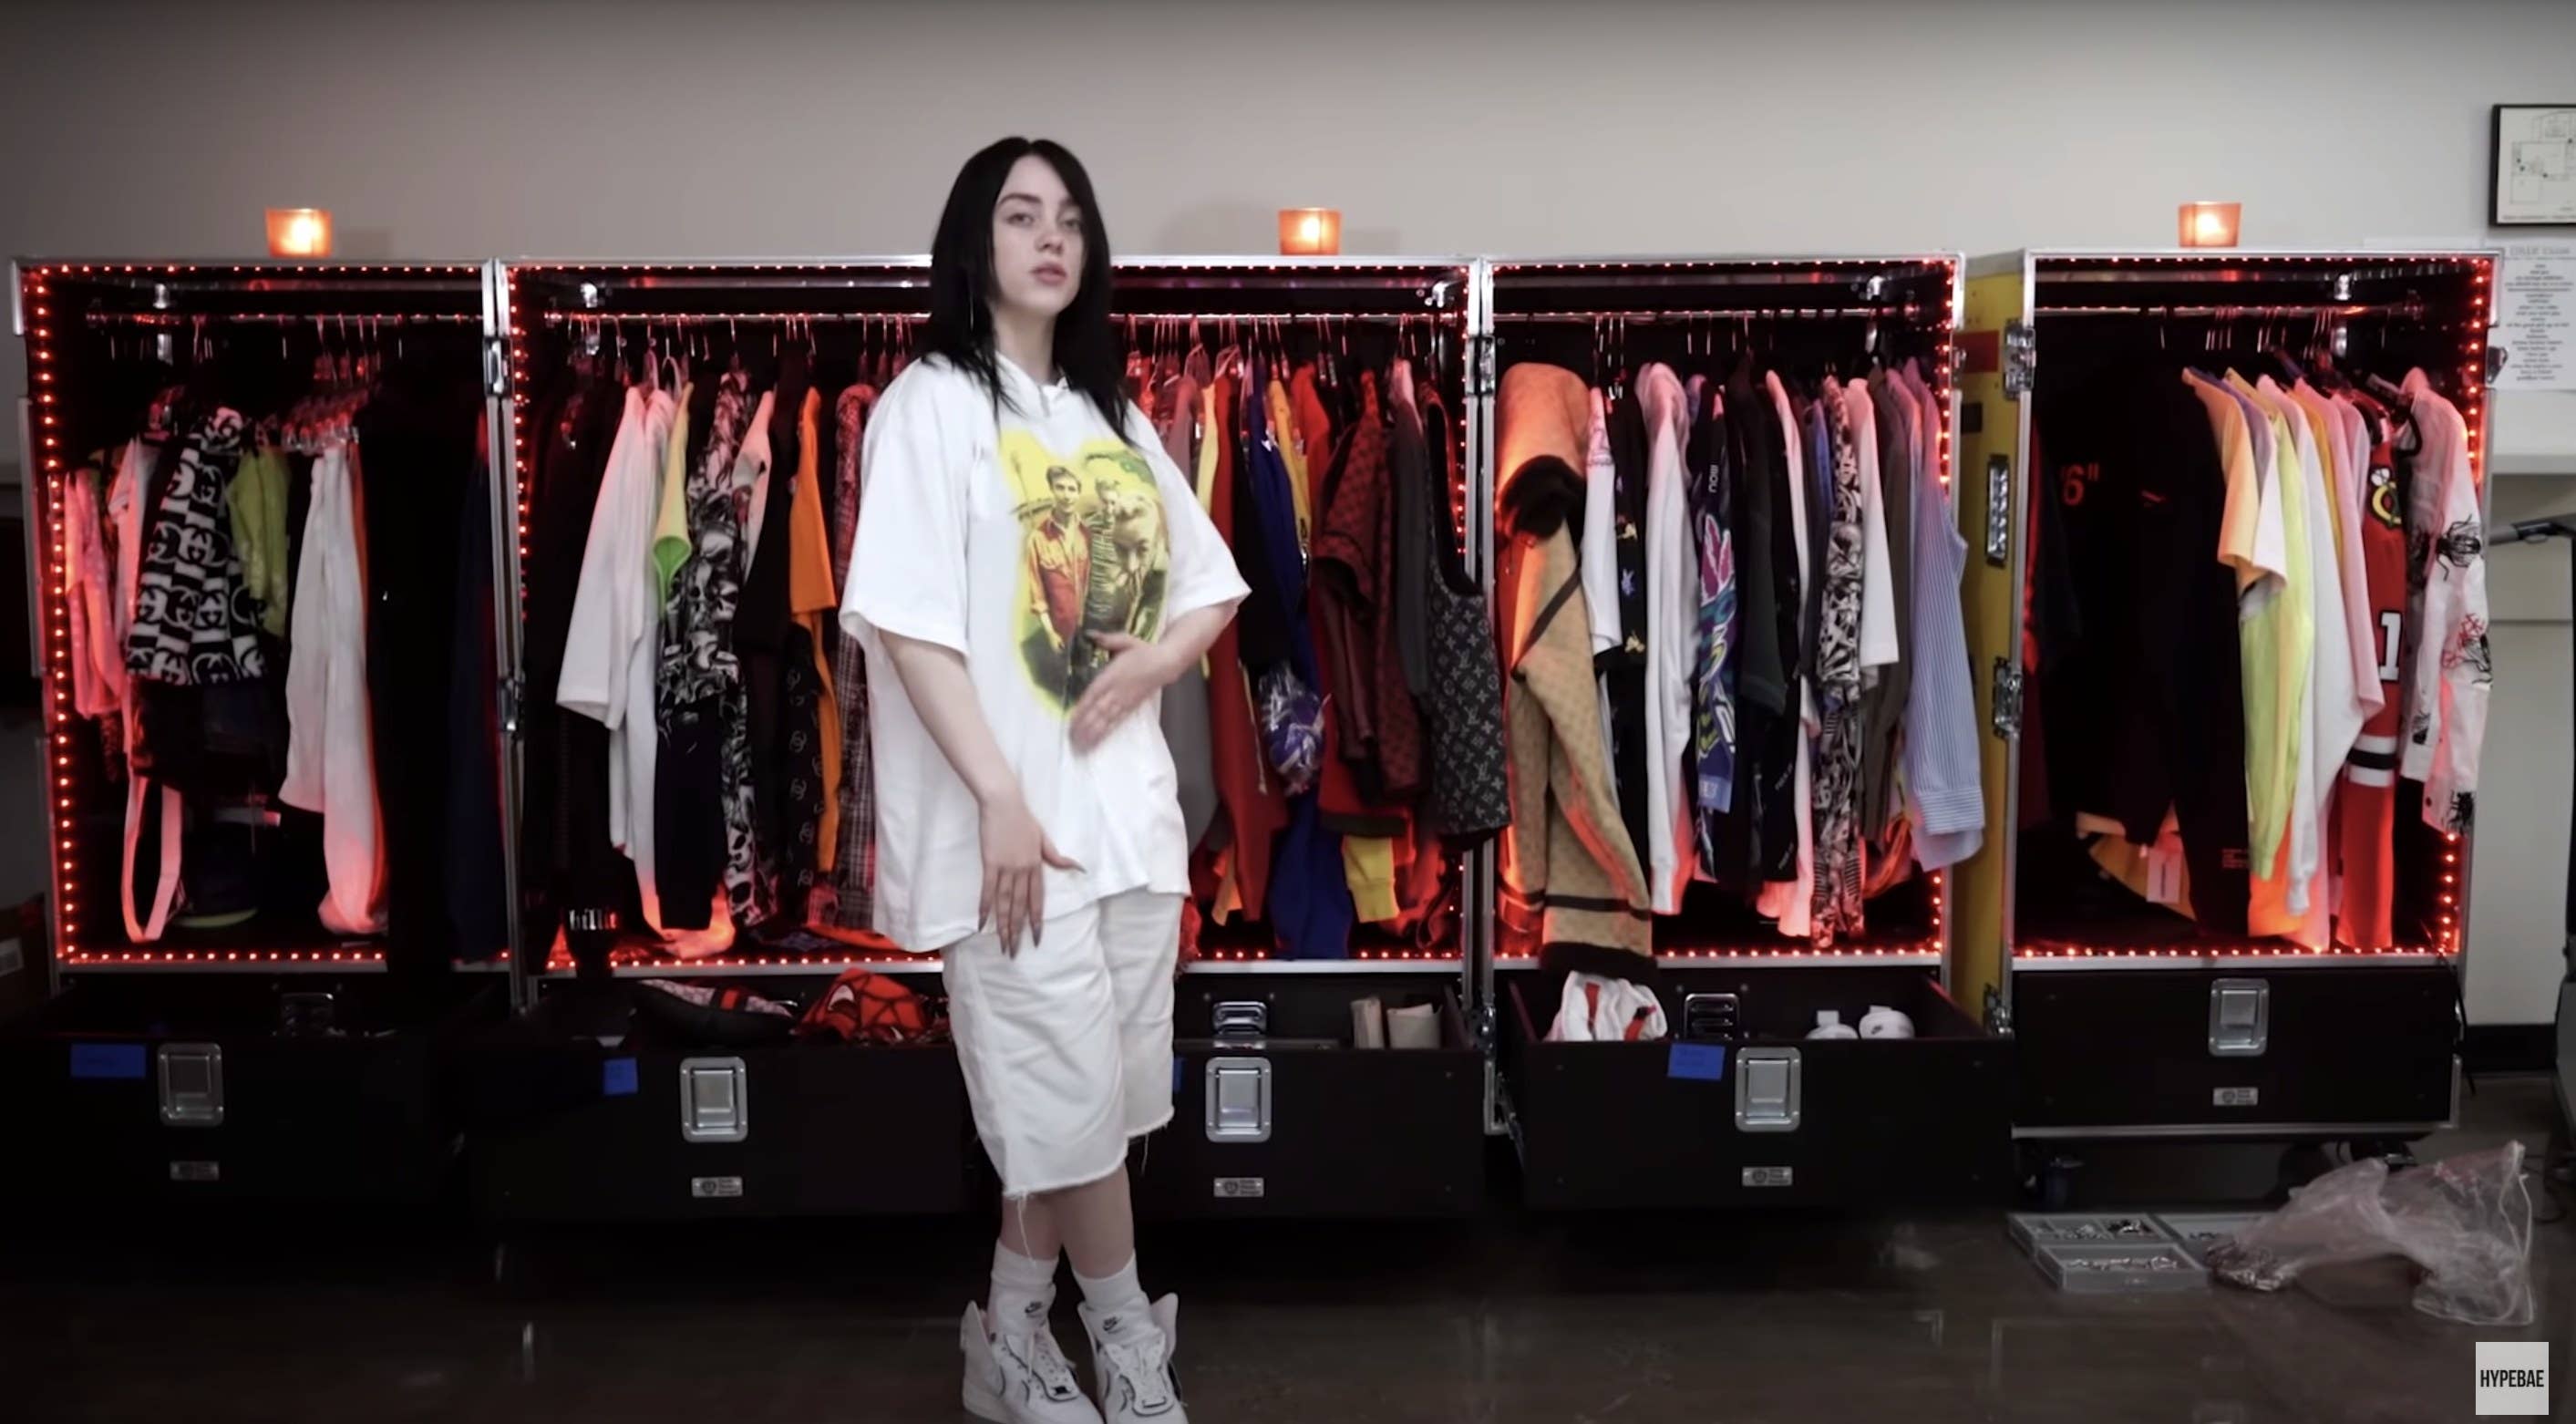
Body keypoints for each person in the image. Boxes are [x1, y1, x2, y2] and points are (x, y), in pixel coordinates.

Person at [843, 137, 1245, 1424]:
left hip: (1123, 826)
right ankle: (1126, 1343)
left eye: (1068, 216)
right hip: (1009, 835)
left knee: (1099, 1108)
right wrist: (998, 795)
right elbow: (906, 626)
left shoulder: (1106, 413)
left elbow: (1211, 583)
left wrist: (1149, 668)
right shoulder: (928, 405)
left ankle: (1008, 1332)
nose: (1049, 237)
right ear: (976, 242)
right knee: (1061, 1110)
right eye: (1021, 215)